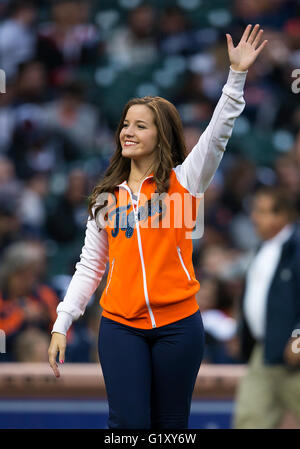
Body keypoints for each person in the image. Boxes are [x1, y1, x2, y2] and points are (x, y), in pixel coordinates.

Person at [48, 25, 268, 429]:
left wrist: (236, 76)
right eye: (125, 124)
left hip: (178, 327)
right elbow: (90, 267)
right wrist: (63, 321)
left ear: (161, 134)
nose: (128, 132)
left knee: (171, 427)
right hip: (119, 327)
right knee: (128, 425)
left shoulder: (187, 180)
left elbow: (219, 133)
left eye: (140, 125)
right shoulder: (105, 197)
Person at [233, 186, 300, 429]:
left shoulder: (296, 246)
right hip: (265, 350)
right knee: (250, 420)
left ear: (282, 217)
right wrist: (240, 332)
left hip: (294, 351)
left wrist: (298, 338)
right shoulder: (263, 248)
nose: (254, 217)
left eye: (261, 211)